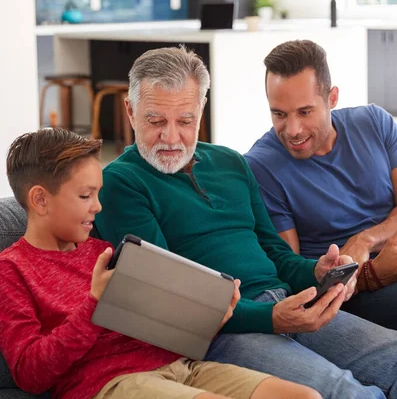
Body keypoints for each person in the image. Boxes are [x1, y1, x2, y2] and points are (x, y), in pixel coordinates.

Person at [96, 45, 397, 399]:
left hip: (289, 304)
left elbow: (275, 255)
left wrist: (317, 271)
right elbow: (170, 303)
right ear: (130, 112)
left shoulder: (230, 163)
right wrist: (270, 318)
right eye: (155, 120)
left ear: (201, 110)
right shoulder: (120, 182)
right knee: (342, 392)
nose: (171, 137)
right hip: (224, 334)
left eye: (185, 120)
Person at [0, 128, 317, 399]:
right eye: (86, 196)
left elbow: (161, 325)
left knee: (303, 395)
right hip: (109, 384)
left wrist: (213, 315)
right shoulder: (11, 270)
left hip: (183, 369)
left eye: (98, 194)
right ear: (40, 199)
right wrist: (94, 304)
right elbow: (30, 374)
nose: (98, 206)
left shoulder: (107, 250)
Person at [244, 39, 397, 330]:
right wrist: (370, 274)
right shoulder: (261, 166)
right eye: (279, 114)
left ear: (332, 98)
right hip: (350, 294)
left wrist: (366, 239)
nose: (292, 130)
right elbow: (289, 272)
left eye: (304, 112)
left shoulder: (375, 123)